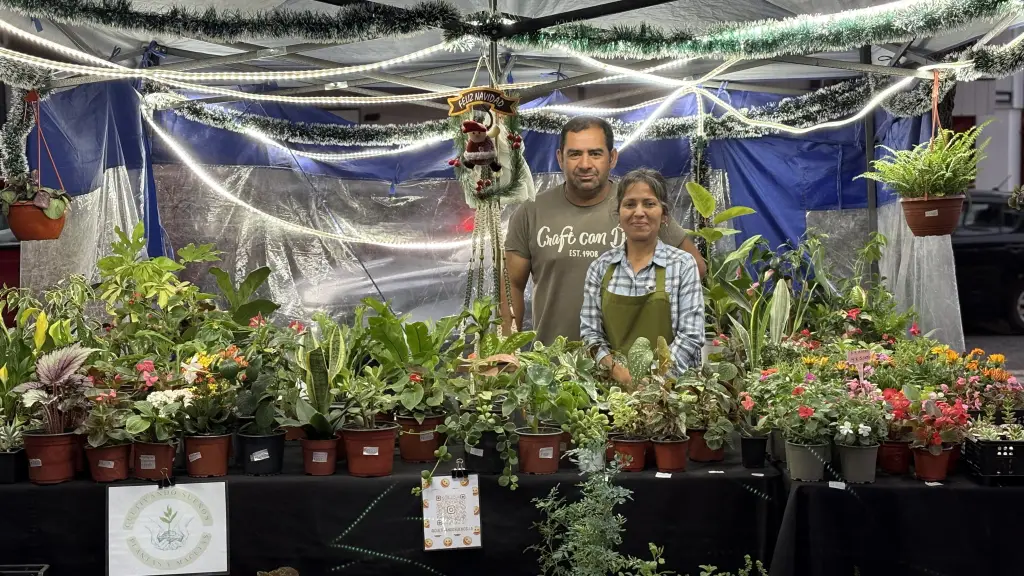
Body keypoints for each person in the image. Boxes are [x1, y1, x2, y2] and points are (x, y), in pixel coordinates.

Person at [503, 116, 705, 344]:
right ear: (560, 158)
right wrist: (506, 351)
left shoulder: (635, 206)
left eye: (596, 153)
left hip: (626, 367)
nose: (585, 164)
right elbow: (512, 285)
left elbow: (694, 267)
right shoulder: (532, 211)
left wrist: (649, 314)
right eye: (575, 154)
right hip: (552, 365)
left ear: (612, 158)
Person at [579, 168, 704, 383]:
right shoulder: (600, 268)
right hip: (614, 394)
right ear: (619, 214)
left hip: (672, 395)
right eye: (630, 204)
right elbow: (591, 335)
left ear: (664, 215)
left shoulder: (682, 265)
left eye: (649, 203)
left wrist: (654, 380)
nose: (639, 212)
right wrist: (619, 373)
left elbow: (691, 336)